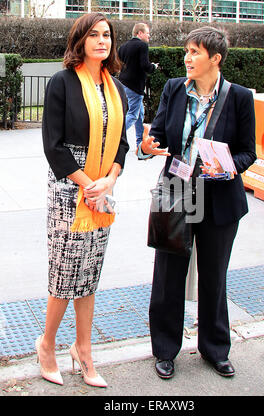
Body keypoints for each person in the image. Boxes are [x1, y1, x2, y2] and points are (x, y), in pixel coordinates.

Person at [139, 27, 256, 379]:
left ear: (215, 58)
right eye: (186, 51)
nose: (187, 58)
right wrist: (148, 146)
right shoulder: (175, 88)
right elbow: (157, 134)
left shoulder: (238, 98)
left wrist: (228, 166)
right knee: (168, 274)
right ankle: (164, 349)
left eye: (195, 52)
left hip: (219, 197)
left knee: (213, 275)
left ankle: (215, 349)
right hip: (177, 190)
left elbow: (249, 151)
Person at [39, 12, 129, 387]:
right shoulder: (62, 82)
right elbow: (53, 145)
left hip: (102, 188)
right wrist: (87, 182)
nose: (101, 40)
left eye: (106, 35)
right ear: (80, 40)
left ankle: (84, 350)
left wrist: (108, 180)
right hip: (68, 186)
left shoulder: (116, 87)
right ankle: (46, 346)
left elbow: (122, 143)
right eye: (93, 34)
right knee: (65, 273)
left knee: (89, 272)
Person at [118, 22, 158, 148]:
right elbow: (145, 66)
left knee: (139, 114)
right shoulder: (142, 46)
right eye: (147, 33)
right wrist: (154, 67)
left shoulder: (123, 47)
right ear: (139, 33)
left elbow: (119, 65)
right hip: (135, 86)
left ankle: (140, 143)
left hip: (122, 83)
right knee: (133, 115)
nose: (148, 36)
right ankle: (114, 136)